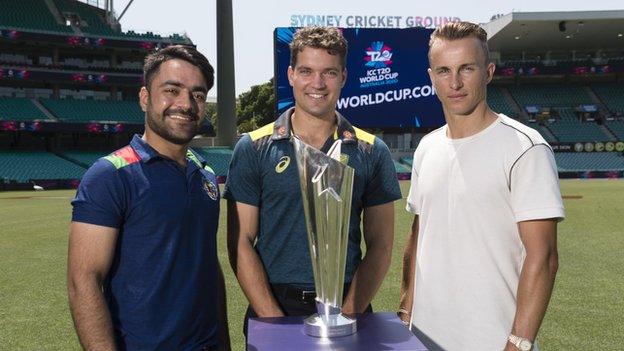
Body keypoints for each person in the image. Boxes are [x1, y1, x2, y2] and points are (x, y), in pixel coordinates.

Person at [398, 22, 565, 351]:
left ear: (488, 72)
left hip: (492, 340)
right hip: (423, 338)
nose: (455, 82)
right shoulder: (427, 148)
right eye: (444, 70)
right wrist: (405, 311)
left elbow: (543, 257)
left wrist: (518, 343)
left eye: (467, 69)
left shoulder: (524, 147)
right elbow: (419, 235)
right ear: (431, 77)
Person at [224, 26, 401, 332]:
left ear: (343, 77)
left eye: (329, 73)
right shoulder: (253, 146)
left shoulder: (372, 151)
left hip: (348, 304)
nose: (317, 83)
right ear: (291, 74)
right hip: (275, 303)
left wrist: (346, 315)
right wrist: (273, 320)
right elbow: (240, 241)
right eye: (306, 71)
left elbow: (382, 245)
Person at [67, 45, 230, 351]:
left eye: (197, 94)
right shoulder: (109, 176)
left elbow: (208, 266)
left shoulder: (206, 176)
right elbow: (83, 282)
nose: (185, 103)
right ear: (145, 98)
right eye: (172, 90)